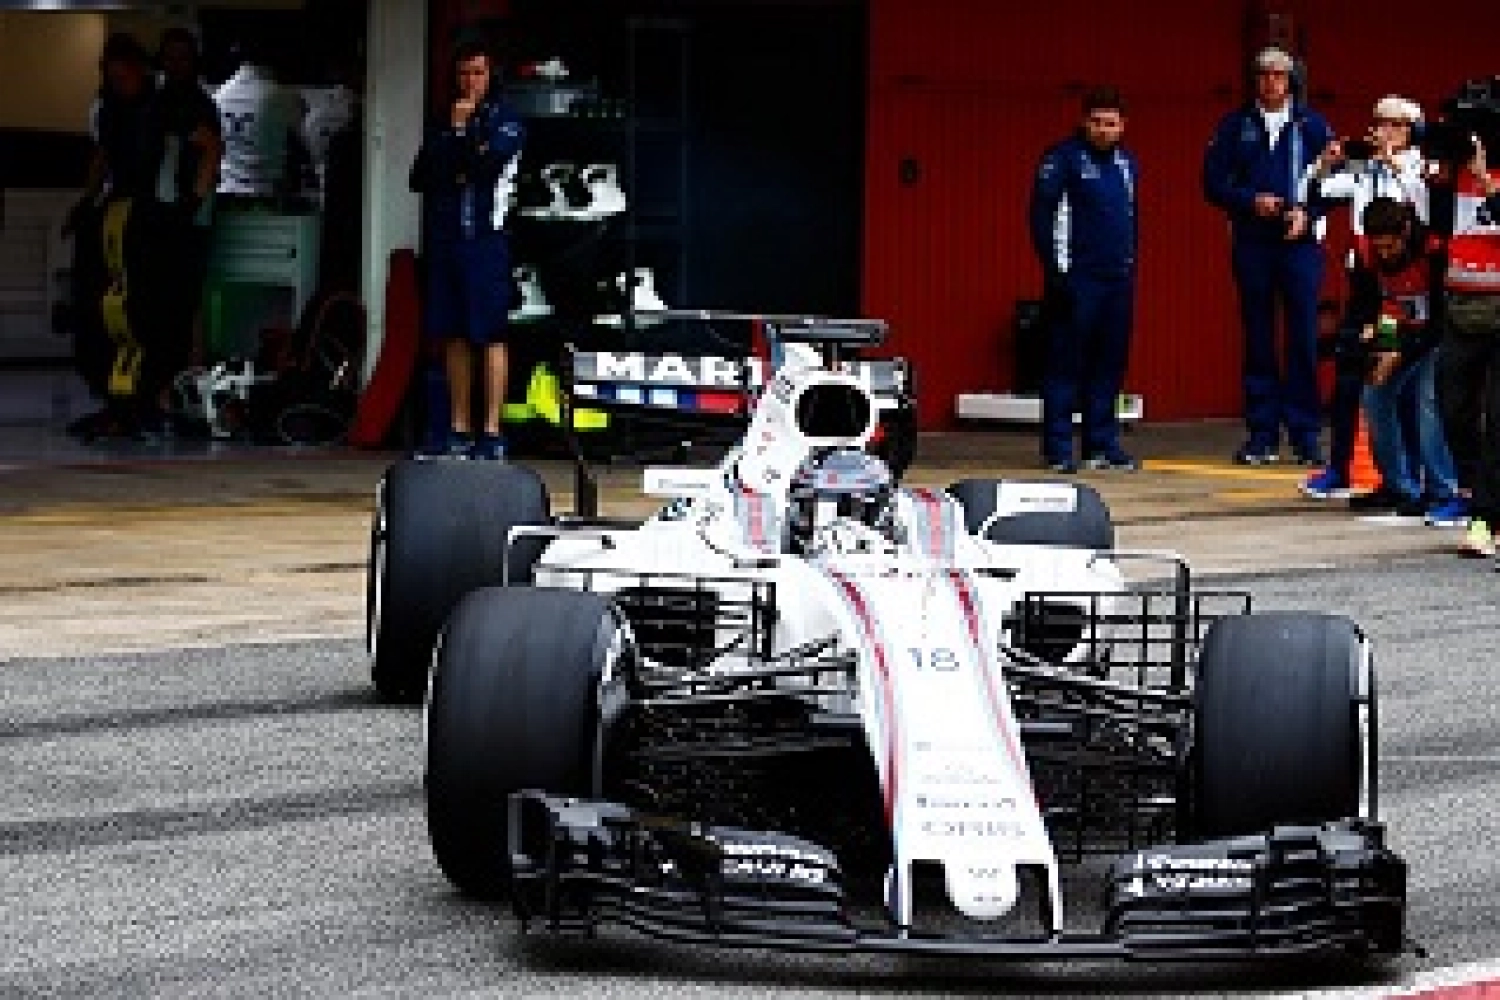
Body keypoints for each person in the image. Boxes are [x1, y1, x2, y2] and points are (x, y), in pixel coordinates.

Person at [1203, 46, 1335, 466]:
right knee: (1258, 336)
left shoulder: (1311, 125)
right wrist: (1249, 201)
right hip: (1253, 241)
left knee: (1302, 336)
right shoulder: (1234, 125)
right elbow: (1212, 183)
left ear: (1290, 79)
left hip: (1299, 244)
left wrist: (1308, 213)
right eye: (1263, 75)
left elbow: (1334, 183)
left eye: (1278, 75)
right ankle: (1261, 432)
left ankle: (1305, 432)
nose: (1271, 83)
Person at [1300, 96, 1429, 500]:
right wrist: (1325, 163)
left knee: (1405, 382)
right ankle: (1339, 467)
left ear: (1410, 132)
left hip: (1408, 274)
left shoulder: (1421, 167)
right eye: (1379, 124)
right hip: (1365, 277)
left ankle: (1410, 477)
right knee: (1351, 370)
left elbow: (1424, 209)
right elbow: (1313, 191)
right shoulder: (1362, 169)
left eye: (1394, 125)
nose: (1383, 132)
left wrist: (1393, 164)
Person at [409, 39, 525, 460]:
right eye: (463, 73)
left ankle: (491, 431)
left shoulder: (505, 120)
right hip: (447, 239)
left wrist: (461, 142)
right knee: (454, 335)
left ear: (491, 75)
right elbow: (421, 176)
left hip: (486, 240)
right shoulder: (444, 120)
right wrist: (455, 139)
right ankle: (458, 427)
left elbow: (483, 168)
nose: (469, 81)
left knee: (490, 334)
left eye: (478, 72)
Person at [1027, 85, 1140, 473]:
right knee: (1064, 364)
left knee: (1109, 363)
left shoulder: (1128, 164)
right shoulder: (1062, 161)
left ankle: (1101, 444)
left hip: (1118, 279)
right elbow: (1042, 219)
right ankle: (1058, 448)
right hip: (1077, 279)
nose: (1104, 130)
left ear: (1123, 126)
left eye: (1112, 124)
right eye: (1097, 122)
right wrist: (1056, 274)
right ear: (1084, 121)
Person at [1344, 198, 1465, 525]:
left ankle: (1444, 490)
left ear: (1405, 232)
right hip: (1397, 332)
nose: (1385, 254)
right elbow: (1368, 305)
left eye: (1390, 246)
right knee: (1374, 397)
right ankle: (1398, 486)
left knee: (1429, 403)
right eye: (1379, 247)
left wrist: (1401, 351)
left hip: (1437, 337)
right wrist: (1376, 344)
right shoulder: (1366, 256)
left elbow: (1442, 316)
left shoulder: (1433, 252)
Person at [1434, 137, 1500, 558]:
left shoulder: (1484, 180)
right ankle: (1477, 493)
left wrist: (1489, 186)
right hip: (1460, 309)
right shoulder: (1451, 175)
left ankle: (1484, 518)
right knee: (1453, 406)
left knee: (1498, 416)